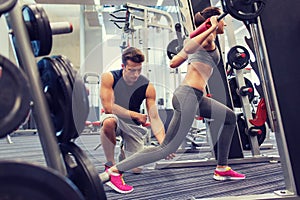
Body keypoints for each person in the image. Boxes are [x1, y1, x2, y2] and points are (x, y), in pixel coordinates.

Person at [99, 6, 245, 191]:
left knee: (229, 117)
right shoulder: (207, 38)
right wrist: (210, 28)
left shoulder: (208, 39)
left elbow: (174, 62)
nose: (224, 23)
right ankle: (114, 171)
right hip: (188, 96)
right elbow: (188, 46)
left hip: (197, 97)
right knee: (166, 148)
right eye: (222, 20)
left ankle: (222, 167)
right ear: (215, 21)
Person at [99, 46, 171, 194]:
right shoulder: (109, 77)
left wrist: (164, 142)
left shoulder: (147, 86)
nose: (136, 74)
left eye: (139, 70)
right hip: (116, 119)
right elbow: (108, 107)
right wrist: (135, 114)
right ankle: (110, 166)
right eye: (131, 70)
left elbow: (154, 117)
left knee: (136, 169)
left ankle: (124, 153)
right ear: (123, 66)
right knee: (108, 121)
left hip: (133, 126)